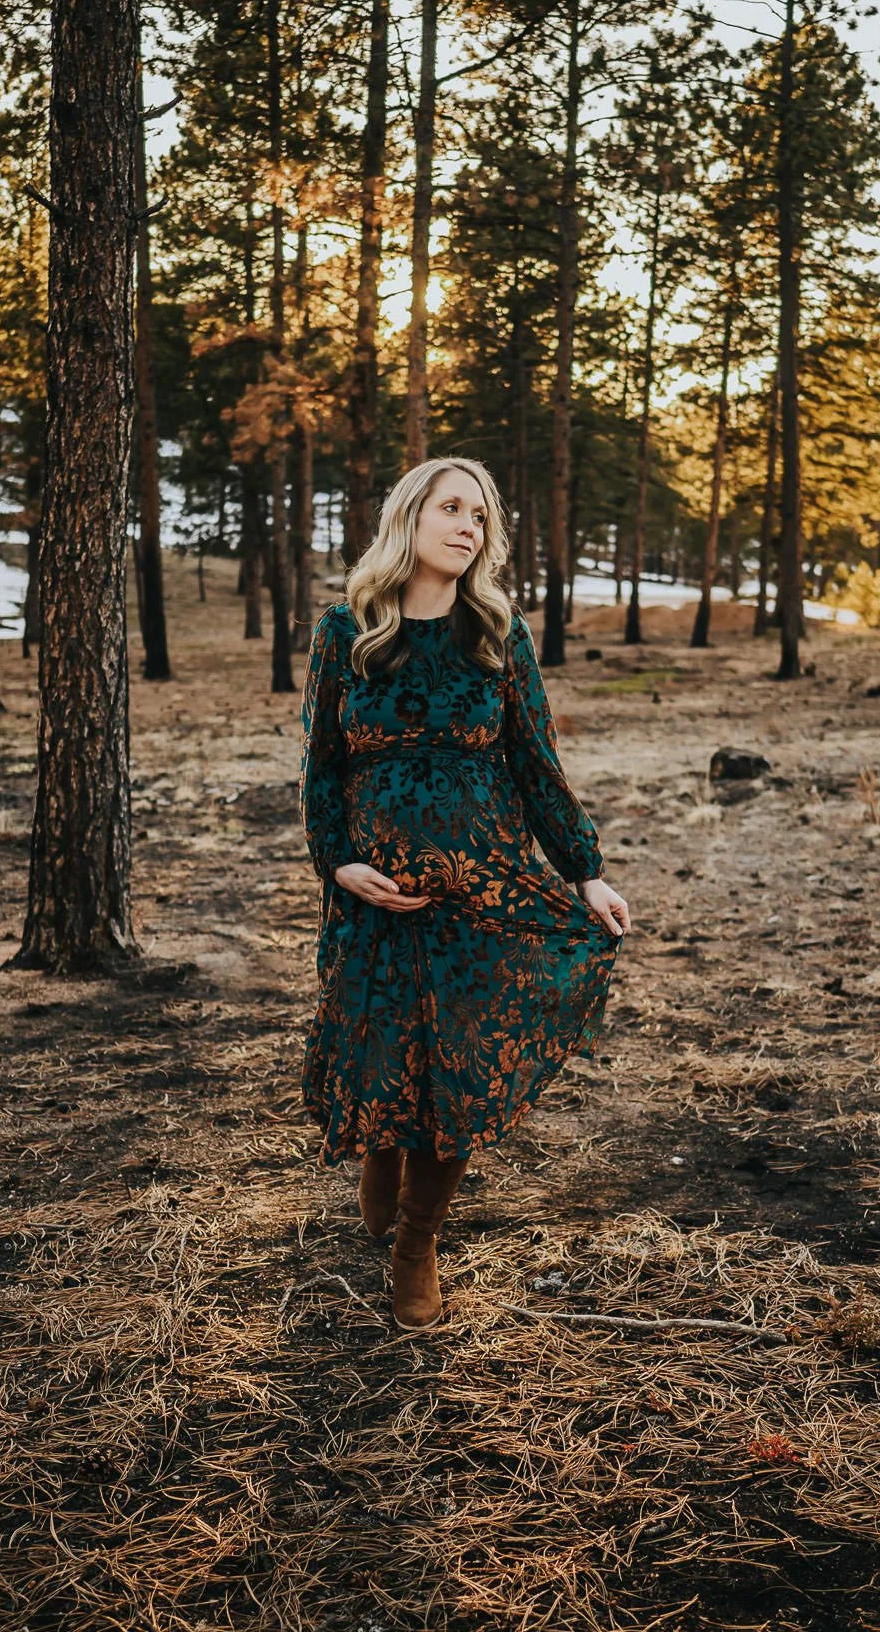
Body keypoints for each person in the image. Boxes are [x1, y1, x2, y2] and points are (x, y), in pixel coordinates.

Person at [299, 456, 631, 1331]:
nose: (469, 527)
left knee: (455, 1070)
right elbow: (322, 769)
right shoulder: (347, 633)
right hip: (377, 898)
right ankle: (379, 1151)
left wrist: (585, 868)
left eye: (480, 516)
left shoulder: (498, 634)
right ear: (409, 517)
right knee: (383, 1060)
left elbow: (535, 760)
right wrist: (337, 862)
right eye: (452, 509)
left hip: (480, 891)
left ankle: (417, 1243)